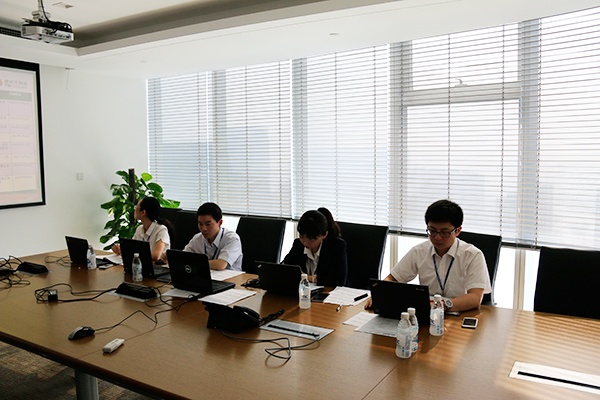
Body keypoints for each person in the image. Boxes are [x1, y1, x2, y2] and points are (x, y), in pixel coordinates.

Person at [368, 199, 491, 312]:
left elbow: (475, 298)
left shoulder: (472, 255)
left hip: (459, 312)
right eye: (432, 231)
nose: (437, 237)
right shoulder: (419, 251)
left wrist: (442, 306)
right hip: (427, 313)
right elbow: (392, 279)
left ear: (457, 231)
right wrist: (380, 294)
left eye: (444, 233)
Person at [283, 207, 348, 287]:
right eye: (302, 237)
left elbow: (339, 280)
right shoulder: (298, 244)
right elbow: (287, 268)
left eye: (311, 240)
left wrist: (309, 278)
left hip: (330, 292)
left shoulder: (336, 246)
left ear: (324, 235)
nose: (305, 242)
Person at [182, 202, 243, 271]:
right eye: (200, 224)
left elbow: (220, 265)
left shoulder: (232, 239)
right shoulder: (197, 238)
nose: (204, 229)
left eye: (208, 224)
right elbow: (183, 258)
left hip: (231, 277)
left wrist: (194, 262)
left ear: (220, 223)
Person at [112, 196, 173, 262]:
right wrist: (120, 248)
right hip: (142, 264)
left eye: (136, 207)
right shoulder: (140, 229)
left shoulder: (161, 230)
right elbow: (131, 248)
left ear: (143, 212)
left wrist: (133, 254)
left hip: (157, 266)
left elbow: (156, 255)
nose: (134, 209)